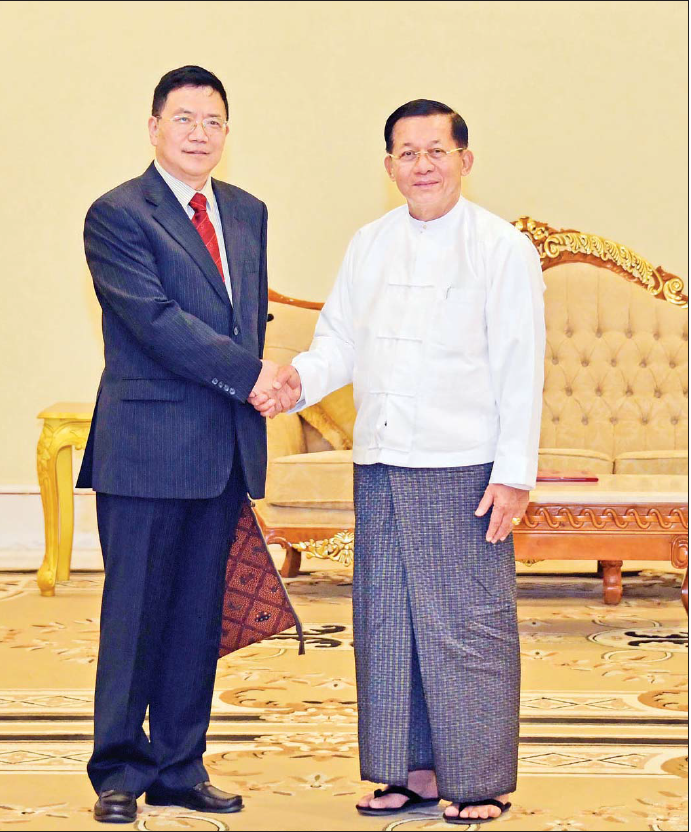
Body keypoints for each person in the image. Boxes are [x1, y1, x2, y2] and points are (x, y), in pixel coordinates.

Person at [251, 99, 545, 824]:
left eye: (435, 151)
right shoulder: (369, 244)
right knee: (389, 621)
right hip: (381, 460)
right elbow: (339, 343)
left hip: (463, 464)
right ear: (389, 167)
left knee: (468, 625)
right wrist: (295, 382)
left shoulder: (501, 247)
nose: (422, 165)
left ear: (464, 160)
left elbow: (520, 366)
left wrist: (513, 474)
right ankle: (408, 772)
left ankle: (476, 780)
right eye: (407, 153)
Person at [77, 65, 288, 824]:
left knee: (198, 619)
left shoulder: (247, 211)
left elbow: (245, 320)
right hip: (146, 446)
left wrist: (265, 381)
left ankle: (178, 765)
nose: (200, 134)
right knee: (135, 617)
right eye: (185, 119)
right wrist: (253, 375)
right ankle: (117, 772)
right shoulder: (116, 214)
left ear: (228, 132)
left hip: (222, 449)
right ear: (154, 127)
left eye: (214, 121)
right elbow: (155, 321)